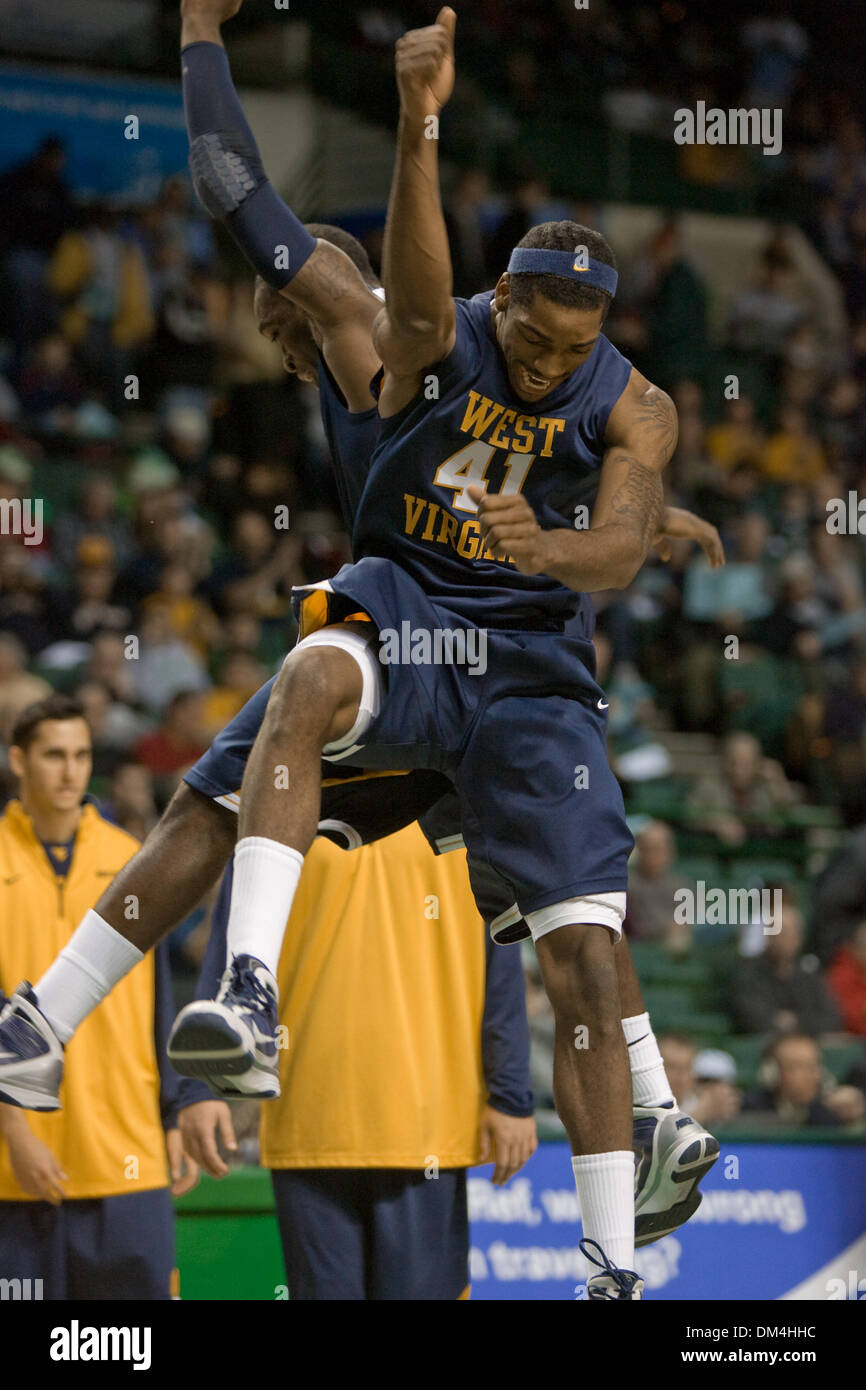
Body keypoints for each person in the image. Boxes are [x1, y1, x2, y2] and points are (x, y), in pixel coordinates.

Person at [0, 0, 722, 1287]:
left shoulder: (422, 330)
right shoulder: (385, 344)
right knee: (262, 736)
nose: (278, 336)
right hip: (407, 619)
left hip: (520, 660)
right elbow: (233, 190)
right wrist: (202, 41)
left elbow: (579, 511)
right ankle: (99, 1011)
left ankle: (644, 1136)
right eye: (278, 324)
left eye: (285, 311)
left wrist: (609, 530)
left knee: (573, 927)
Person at [179, 823, 536, 1300]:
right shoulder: (285, 807)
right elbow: (232, 952)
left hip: (427, 1127)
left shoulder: (465, 813)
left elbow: (502, 965)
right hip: (311, 1123)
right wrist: (201, 1086)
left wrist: (511, 1097)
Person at [0, 695, 195, 1299]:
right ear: (18, 761)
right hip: (17, 1167)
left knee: (128, 1349)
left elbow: (161, 1006)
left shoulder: (131, 861)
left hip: (126, 1156)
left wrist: (174, 1115)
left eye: (81, 755)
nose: (70, 771)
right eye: (53, 755)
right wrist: (13, 1132)